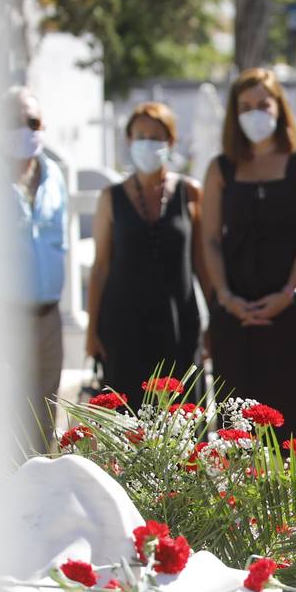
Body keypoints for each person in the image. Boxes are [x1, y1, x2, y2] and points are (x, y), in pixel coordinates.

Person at [201, 68, 296, 446]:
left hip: (288, 309)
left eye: (263, 104)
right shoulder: (221, 168)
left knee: (292, 424)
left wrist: (288, 292)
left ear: (279, 108)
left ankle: (293, 506)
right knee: (236, 428)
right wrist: (225, 297)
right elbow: (210, 238)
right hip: (234, 310)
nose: (254, 113)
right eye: (245, 106)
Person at [86, 102, 205, 405]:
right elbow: (101, 267)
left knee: (182, 421)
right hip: (124, 327)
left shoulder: (189, 193)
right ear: (129, 141)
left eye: (156, 137)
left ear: (170, 142)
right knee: (127, 423)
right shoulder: (110, 198)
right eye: (140, 136)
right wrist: (92, 330)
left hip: (178, 325)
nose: (147, 144)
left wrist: (214, 321)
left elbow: (202, 263)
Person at [1, 86, 67, 451]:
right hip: (3, 318)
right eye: (14, 121)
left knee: (45, 418)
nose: (25, 129)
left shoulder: (54, 175)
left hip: (49, 316)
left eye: (33, 121)